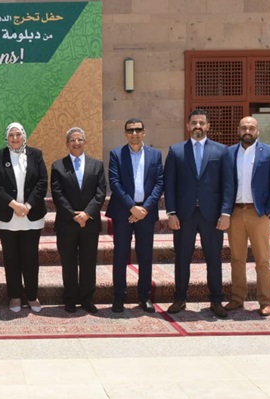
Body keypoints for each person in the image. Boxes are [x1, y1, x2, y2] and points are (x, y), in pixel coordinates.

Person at [164, 109, 234, 318]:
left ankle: (216, 300)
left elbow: (228, 184)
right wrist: (171, 212)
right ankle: (180, 298)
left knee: (214, 259)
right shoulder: (176, 151)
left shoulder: (221, 151)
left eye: (202, 123)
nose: (198, 126)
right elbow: (169, 184)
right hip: (184, 215)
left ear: (208, 126)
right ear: (188, 126)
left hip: (211, 215)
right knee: (182, 258)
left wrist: (225, 212)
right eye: (194, 122)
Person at [225, 116, 270, 317]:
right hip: (235, 213)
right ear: (238, 130)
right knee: (237, 258)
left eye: (251, 128)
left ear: (258, 130)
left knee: (262, 259)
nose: (247, 131)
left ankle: (265, 301)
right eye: (244, 128)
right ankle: (237, 298)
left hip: (258, 213)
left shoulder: (269, 152)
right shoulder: (229, 153)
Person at [106, 118, 164, 314]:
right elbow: (114, 182)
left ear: (144, 132)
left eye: (138, 129)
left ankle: (144, 296)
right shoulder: (116, 154)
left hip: (146, 213)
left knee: (145, 255)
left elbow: (159, 183)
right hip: (123, 212)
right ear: (125, 134)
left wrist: (144, 209)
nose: (134, 133)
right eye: (130, 130)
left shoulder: (155, 154)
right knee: (120, 255)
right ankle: (119, 296)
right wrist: (132, 207)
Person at [0, 123, 48, 313]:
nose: (15, 138)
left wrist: (27, 206)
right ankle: (15, 296)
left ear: (24, 136)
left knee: (31, 257)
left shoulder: (36, 154)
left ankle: (32, 296)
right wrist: (14, 205)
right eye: (11, 135)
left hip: (32, 215)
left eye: (18, 134)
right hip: (8, 215)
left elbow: (42, 182)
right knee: (11, 257)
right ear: (6, 138)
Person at [51, 127, 107, 314]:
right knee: (68, 263)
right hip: (67, 223)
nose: (76, 143)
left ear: (85, 142)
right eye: (72, 140)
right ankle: (70, 299)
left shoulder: (97, 165)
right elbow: (57, 194)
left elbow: (100, 192)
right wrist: (74, 215)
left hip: (89, 223)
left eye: (80, 139)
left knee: (88, 262)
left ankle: (87, 299)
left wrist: (86, 214)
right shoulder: (58, 166)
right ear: (67, 144)